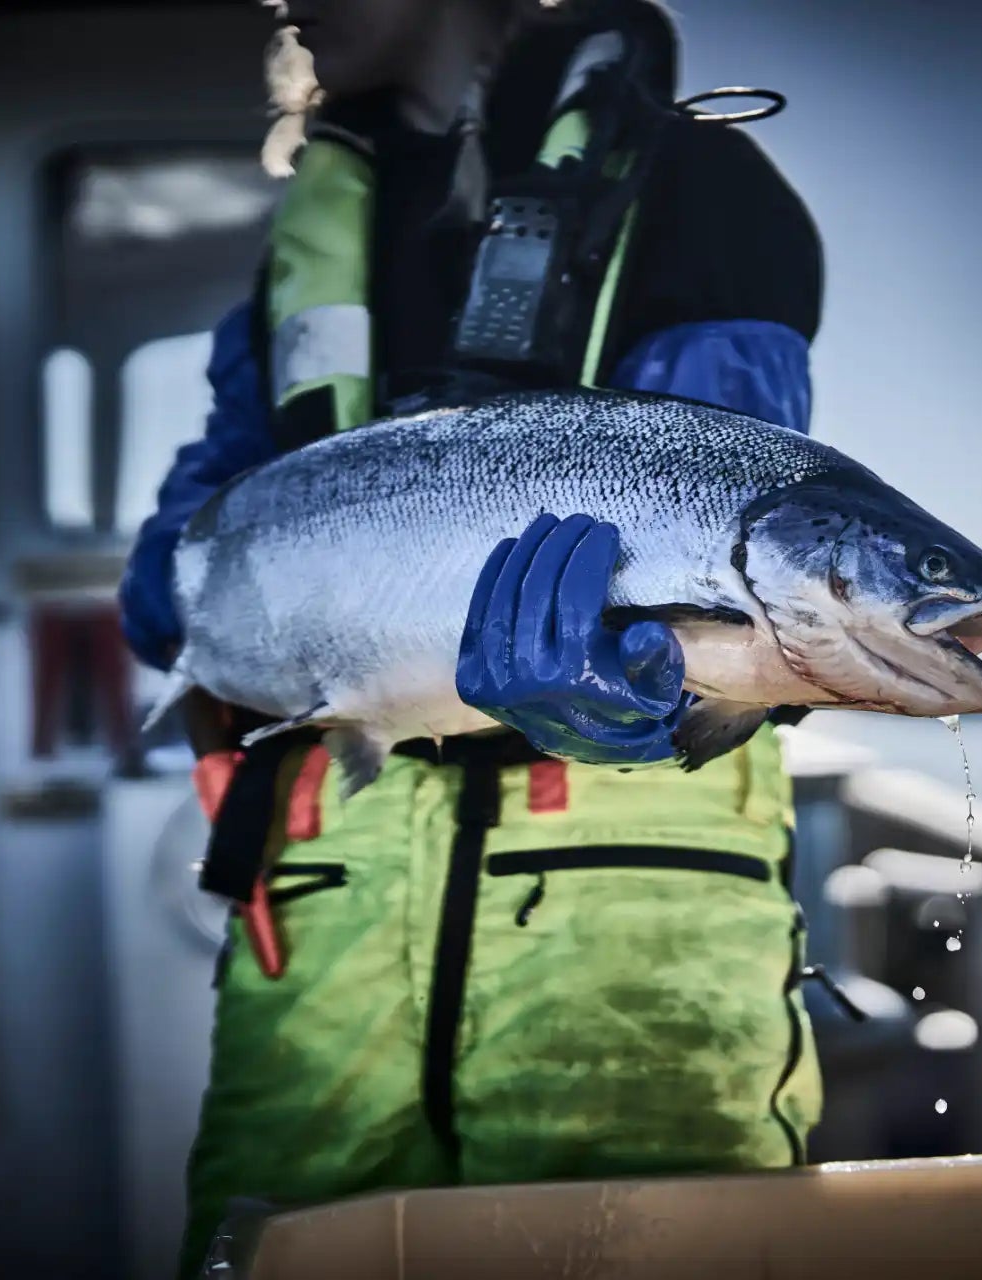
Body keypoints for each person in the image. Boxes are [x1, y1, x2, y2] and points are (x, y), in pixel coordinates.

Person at [116, 2, 826, 1273]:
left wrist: (648, 687)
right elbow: (181, 548)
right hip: (323, 910)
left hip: (631, 925)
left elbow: (741, 535)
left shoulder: (700, 186)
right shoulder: (304, 244)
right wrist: (190, 596)